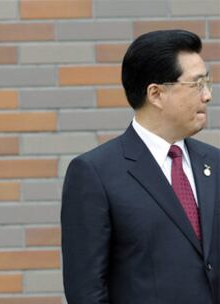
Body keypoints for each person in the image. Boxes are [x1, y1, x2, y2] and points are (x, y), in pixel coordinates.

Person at [61, 29, 219, 304]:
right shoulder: (95, 173)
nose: (207, 96)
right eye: (196, 84)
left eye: (208, 83)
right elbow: (86, 291)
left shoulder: (214, 163)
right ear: (156, 94)